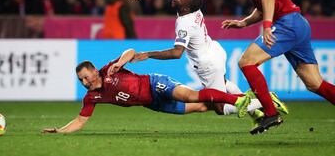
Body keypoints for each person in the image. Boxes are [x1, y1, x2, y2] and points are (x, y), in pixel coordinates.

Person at [216, 0, 335, 135]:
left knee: (246, 62)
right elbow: (263, 4)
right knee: (315, 83)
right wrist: (244, 23)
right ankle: (271, 112)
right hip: (297, 24)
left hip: (287, 24)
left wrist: (267, 26)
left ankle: (271, 113)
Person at [129, 0, 288, 127]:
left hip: (208, 63)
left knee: (221, 108)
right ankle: (256, 114)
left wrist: (148, 54)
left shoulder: (185, 23)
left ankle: (266, 101)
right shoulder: (190, 7)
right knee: (224, 84)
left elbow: (177, 53)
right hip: (214, 50)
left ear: (186, 7)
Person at [42, 48, 260, 134]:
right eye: (81, 80)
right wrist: (60, 131)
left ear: (93, 71)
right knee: (205, 106)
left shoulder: (109, 69)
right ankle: (230, 88)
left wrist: (120, 62)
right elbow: (80, 121)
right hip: (152, 103)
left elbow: (130, 51)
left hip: (155, 84)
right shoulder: (91, 97)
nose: (84, 82)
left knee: (191, 95)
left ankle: (250, 100)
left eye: (86, 77)